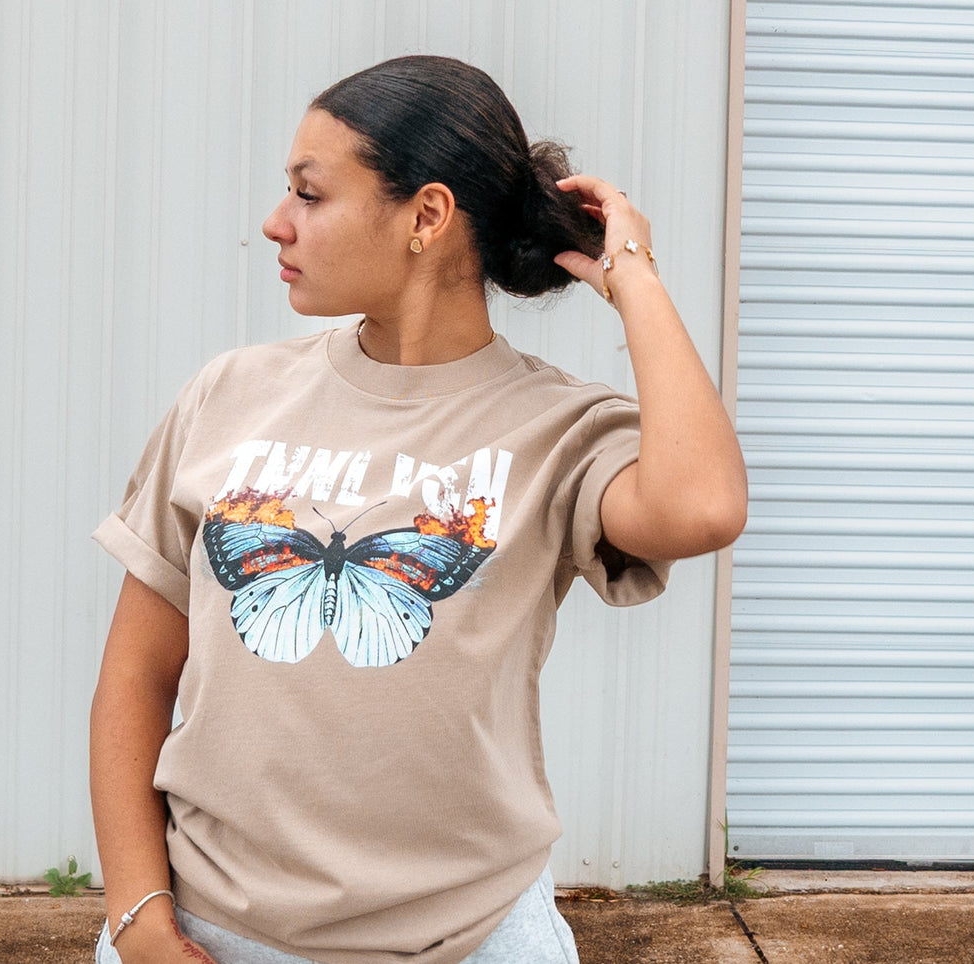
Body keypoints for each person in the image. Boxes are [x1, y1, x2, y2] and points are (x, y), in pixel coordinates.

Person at [88, 55, 747, 964]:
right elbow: (134, 677)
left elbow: (703, 508)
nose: (275, 222)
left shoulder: (560, 429)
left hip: (470, 940)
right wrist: (138, 919)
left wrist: (632, 275)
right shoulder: (228, 394)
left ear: (426, 216)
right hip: (208, 934)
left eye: (310, 195)